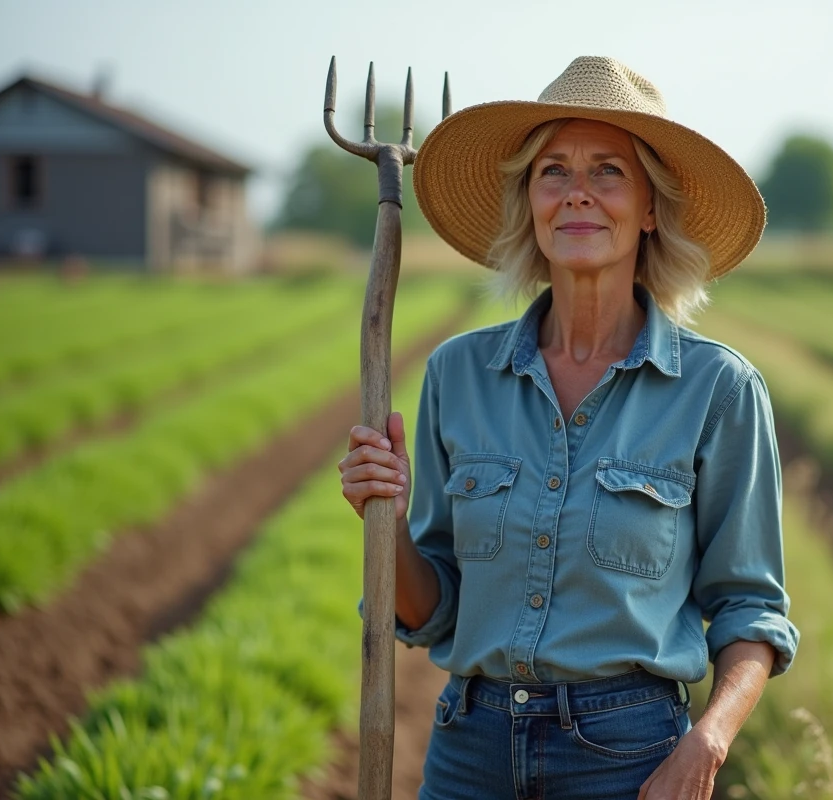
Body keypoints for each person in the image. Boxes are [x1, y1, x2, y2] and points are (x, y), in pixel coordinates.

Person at [339, 56, 798, 800]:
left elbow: (750, 608)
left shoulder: (718, 390)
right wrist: (382, 517)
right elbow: (431, 608)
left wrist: (707, 743)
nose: (577, 192)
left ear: (651, 207)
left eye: (608, 171)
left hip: (627, 757)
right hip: (468, 752)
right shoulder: (458, 375)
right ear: (530, 202)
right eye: (553, 171)